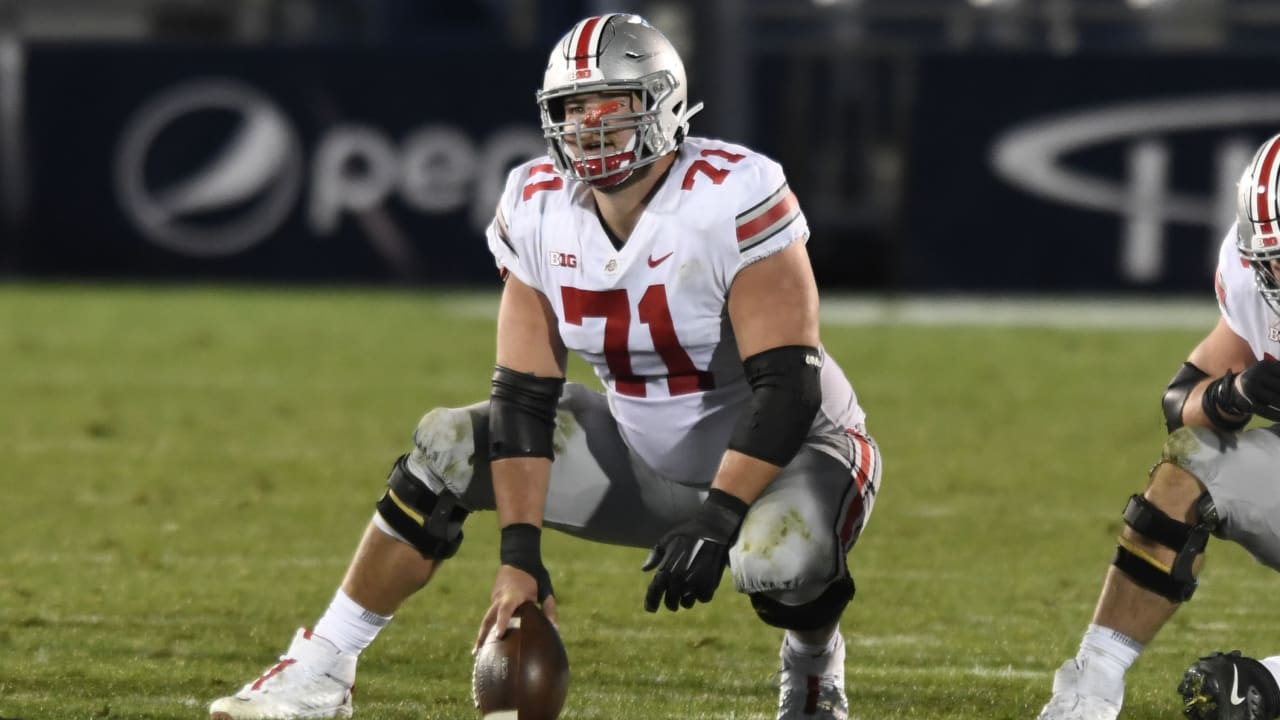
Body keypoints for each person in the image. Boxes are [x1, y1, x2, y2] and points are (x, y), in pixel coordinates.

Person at [208, 13, 881, 720]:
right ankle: (321, 669)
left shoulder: (732, 194)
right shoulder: (536, 205)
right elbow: (523, 399)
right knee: (448, 444)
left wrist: (718, 518)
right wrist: (518, 555)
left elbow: (787, 388)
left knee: (780, 559)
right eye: (571, 108)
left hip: (794, 456)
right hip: (641, 456)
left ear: (664, 103)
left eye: (610, 105)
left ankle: (812, 667)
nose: (588, 125)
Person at [1037, 132, 1280, 720]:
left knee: (1242, 698)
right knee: (1188, 463)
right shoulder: (1254, 279)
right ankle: (1093, 685)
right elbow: (1182, 399)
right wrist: (1232, 393)